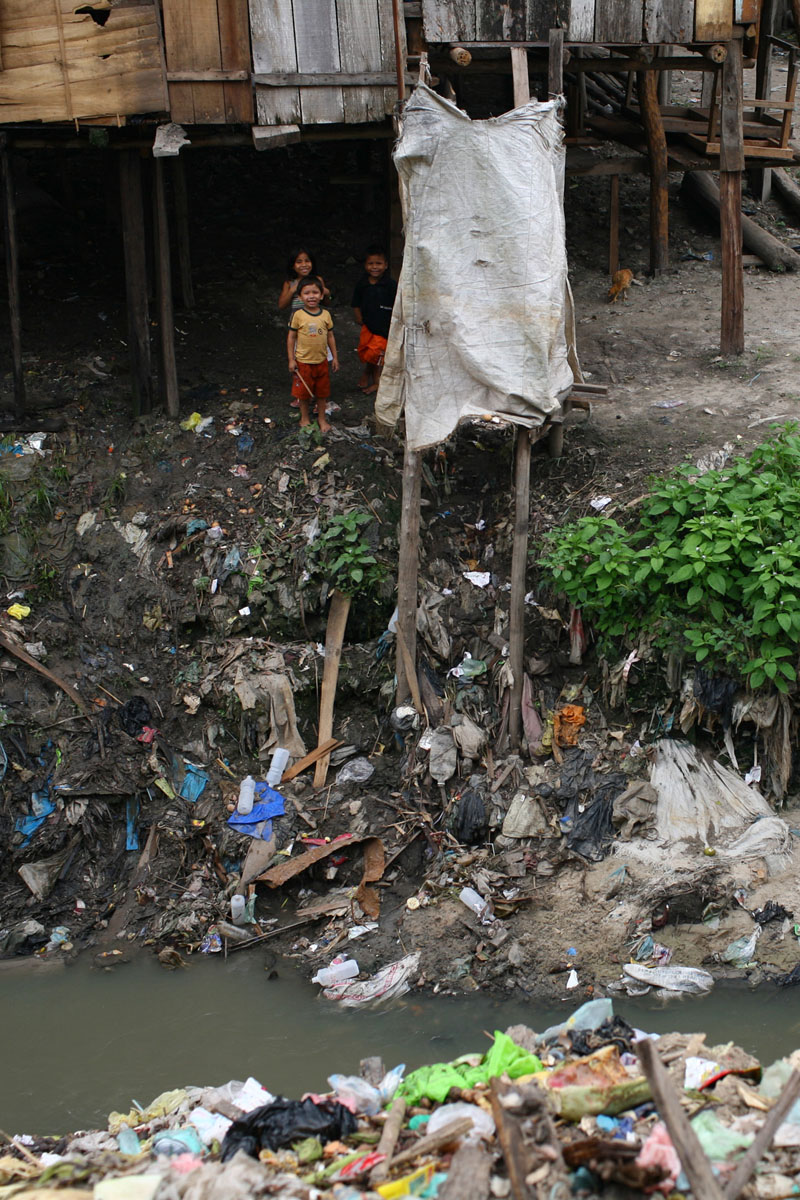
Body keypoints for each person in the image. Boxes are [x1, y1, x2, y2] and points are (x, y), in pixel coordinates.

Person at [287, 277, 338, 433]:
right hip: (303, 362)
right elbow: (291, 337)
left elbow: (330, 336)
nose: (311, 296)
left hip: (321, 361)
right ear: (300, 297)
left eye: (315, 292)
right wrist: (291, 359)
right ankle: (305, 418)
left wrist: (335, 357)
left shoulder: (325, 315)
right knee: (303, 394)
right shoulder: (298, 315)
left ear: (321, 295)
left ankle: (322, 419)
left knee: (322, 393)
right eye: (307, 293)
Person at [351, 246, 396, 394]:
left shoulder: (390, 285)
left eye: (378, 264)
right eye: (371, 264)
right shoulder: (362, 284)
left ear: (385, 265)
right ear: (365, 265)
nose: (374, 267)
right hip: (368, 325)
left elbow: (397, 305)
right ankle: (367, 372)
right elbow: (355, 302)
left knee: (377, 355)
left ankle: (377, 383)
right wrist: (358, 317)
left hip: (384, 328)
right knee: (367, 352)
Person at [278, 248, 331, 312]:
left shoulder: (318, 280)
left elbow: (327, 304)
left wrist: (328, 294)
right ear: (293, 266)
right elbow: (281, 306)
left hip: (315, 318)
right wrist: (291, 291)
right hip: (298, 320)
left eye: (307, 261)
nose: (304, 265)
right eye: (299, 262)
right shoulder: (289, 283)